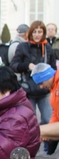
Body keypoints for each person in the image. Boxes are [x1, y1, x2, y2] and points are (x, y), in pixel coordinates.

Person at [10, 20, 56, 152]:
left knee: (48, 120)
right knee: (30, 123)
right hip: (28, 90)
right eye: (35, 32)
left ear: (43, 33)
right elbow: (14, 65)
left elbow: (53, 68)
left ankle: (49, 151)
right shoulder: (23, 47)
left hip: (45, 90)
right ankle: (31, 151)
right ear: (30, 33)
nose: (37, 35)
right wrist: (27, 66)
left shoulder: (47, 47)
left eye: (40, 32)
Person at [30, 63, 59, 154]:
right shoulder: (54, 88)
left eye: (41, 83)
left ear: (47, 76)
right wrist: (49, 131)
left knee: (36, 131)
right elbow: (55, 112)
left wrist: (44, 130)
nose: (41, 87)